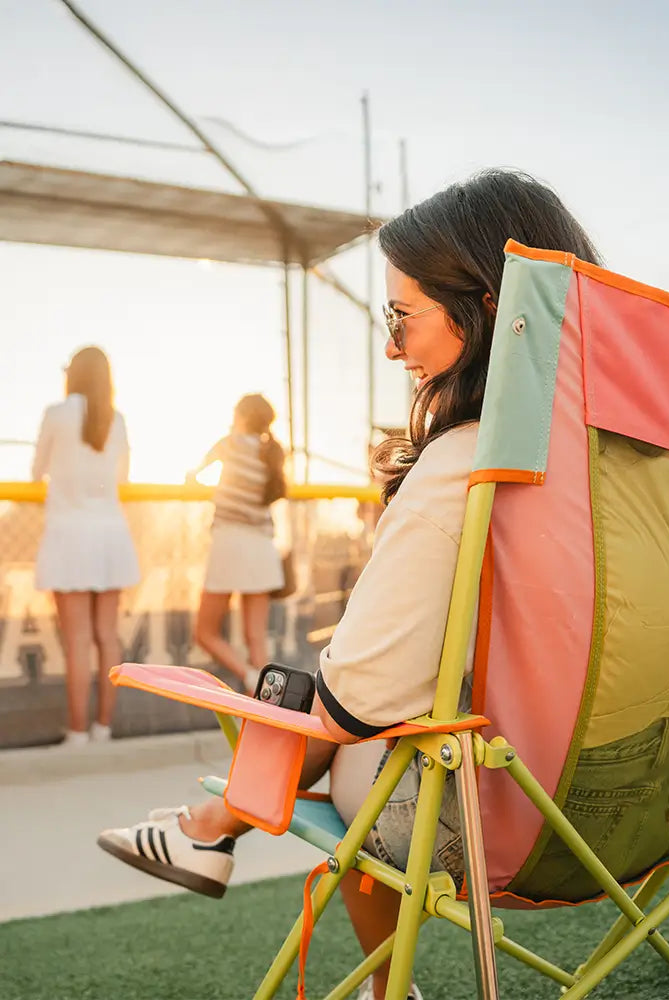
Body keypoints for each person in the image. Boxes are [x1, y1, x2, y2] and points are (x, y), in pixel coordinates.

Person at [97, 170, 603, 1000]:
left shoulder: (468, 465)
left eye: (401, 317)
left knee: (354, 719)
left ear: (487, 308)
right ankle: (209, 832)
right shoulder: (647, 462)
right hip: (641, 799)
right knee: (375, 701)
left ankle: (220, 835)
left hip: (501, 815)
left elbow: (358, 698)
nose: (393, 349)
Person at [33, 346, 140, 745]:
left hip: (69, 536)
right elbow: (123, 479)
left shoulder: (56, 414)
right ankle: (103, 729)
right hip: (111, 534)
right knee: (107, 636)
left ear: (73, 374)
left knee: (77, 639)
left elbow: (36, 471)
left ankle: (77, 733)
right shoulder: (118, 419)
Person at [188, 394, 287, 693]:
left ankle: (248, 676)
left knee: (205, 632)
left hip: (230, 545)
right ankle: (265, 706)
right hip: (262, 549)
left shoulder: (230, 444)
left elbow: (193, 476)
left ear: (242, 416)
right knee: (256, 639)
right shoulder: (270, 452)